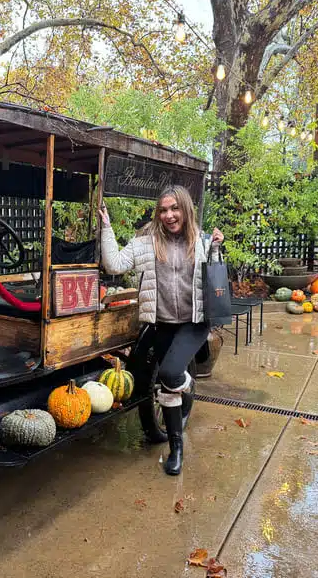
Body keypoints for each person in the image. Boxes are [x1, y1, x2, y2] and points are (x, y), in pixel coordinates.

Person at [99, 185, 223, 476]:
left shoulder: (203, 242)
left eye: (174, 208)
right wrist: (106, 228)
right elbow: (114, 264)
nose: (169, 215)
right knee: (168, 385)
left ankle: (186, 385)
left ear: (185, 209)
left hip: (193, 323)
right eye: (163, 210)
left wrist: (216, 249)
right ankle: (176, 449)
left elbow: (215, 282)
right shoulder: (146, 243)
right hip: (162, 323)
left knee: (169, 374)